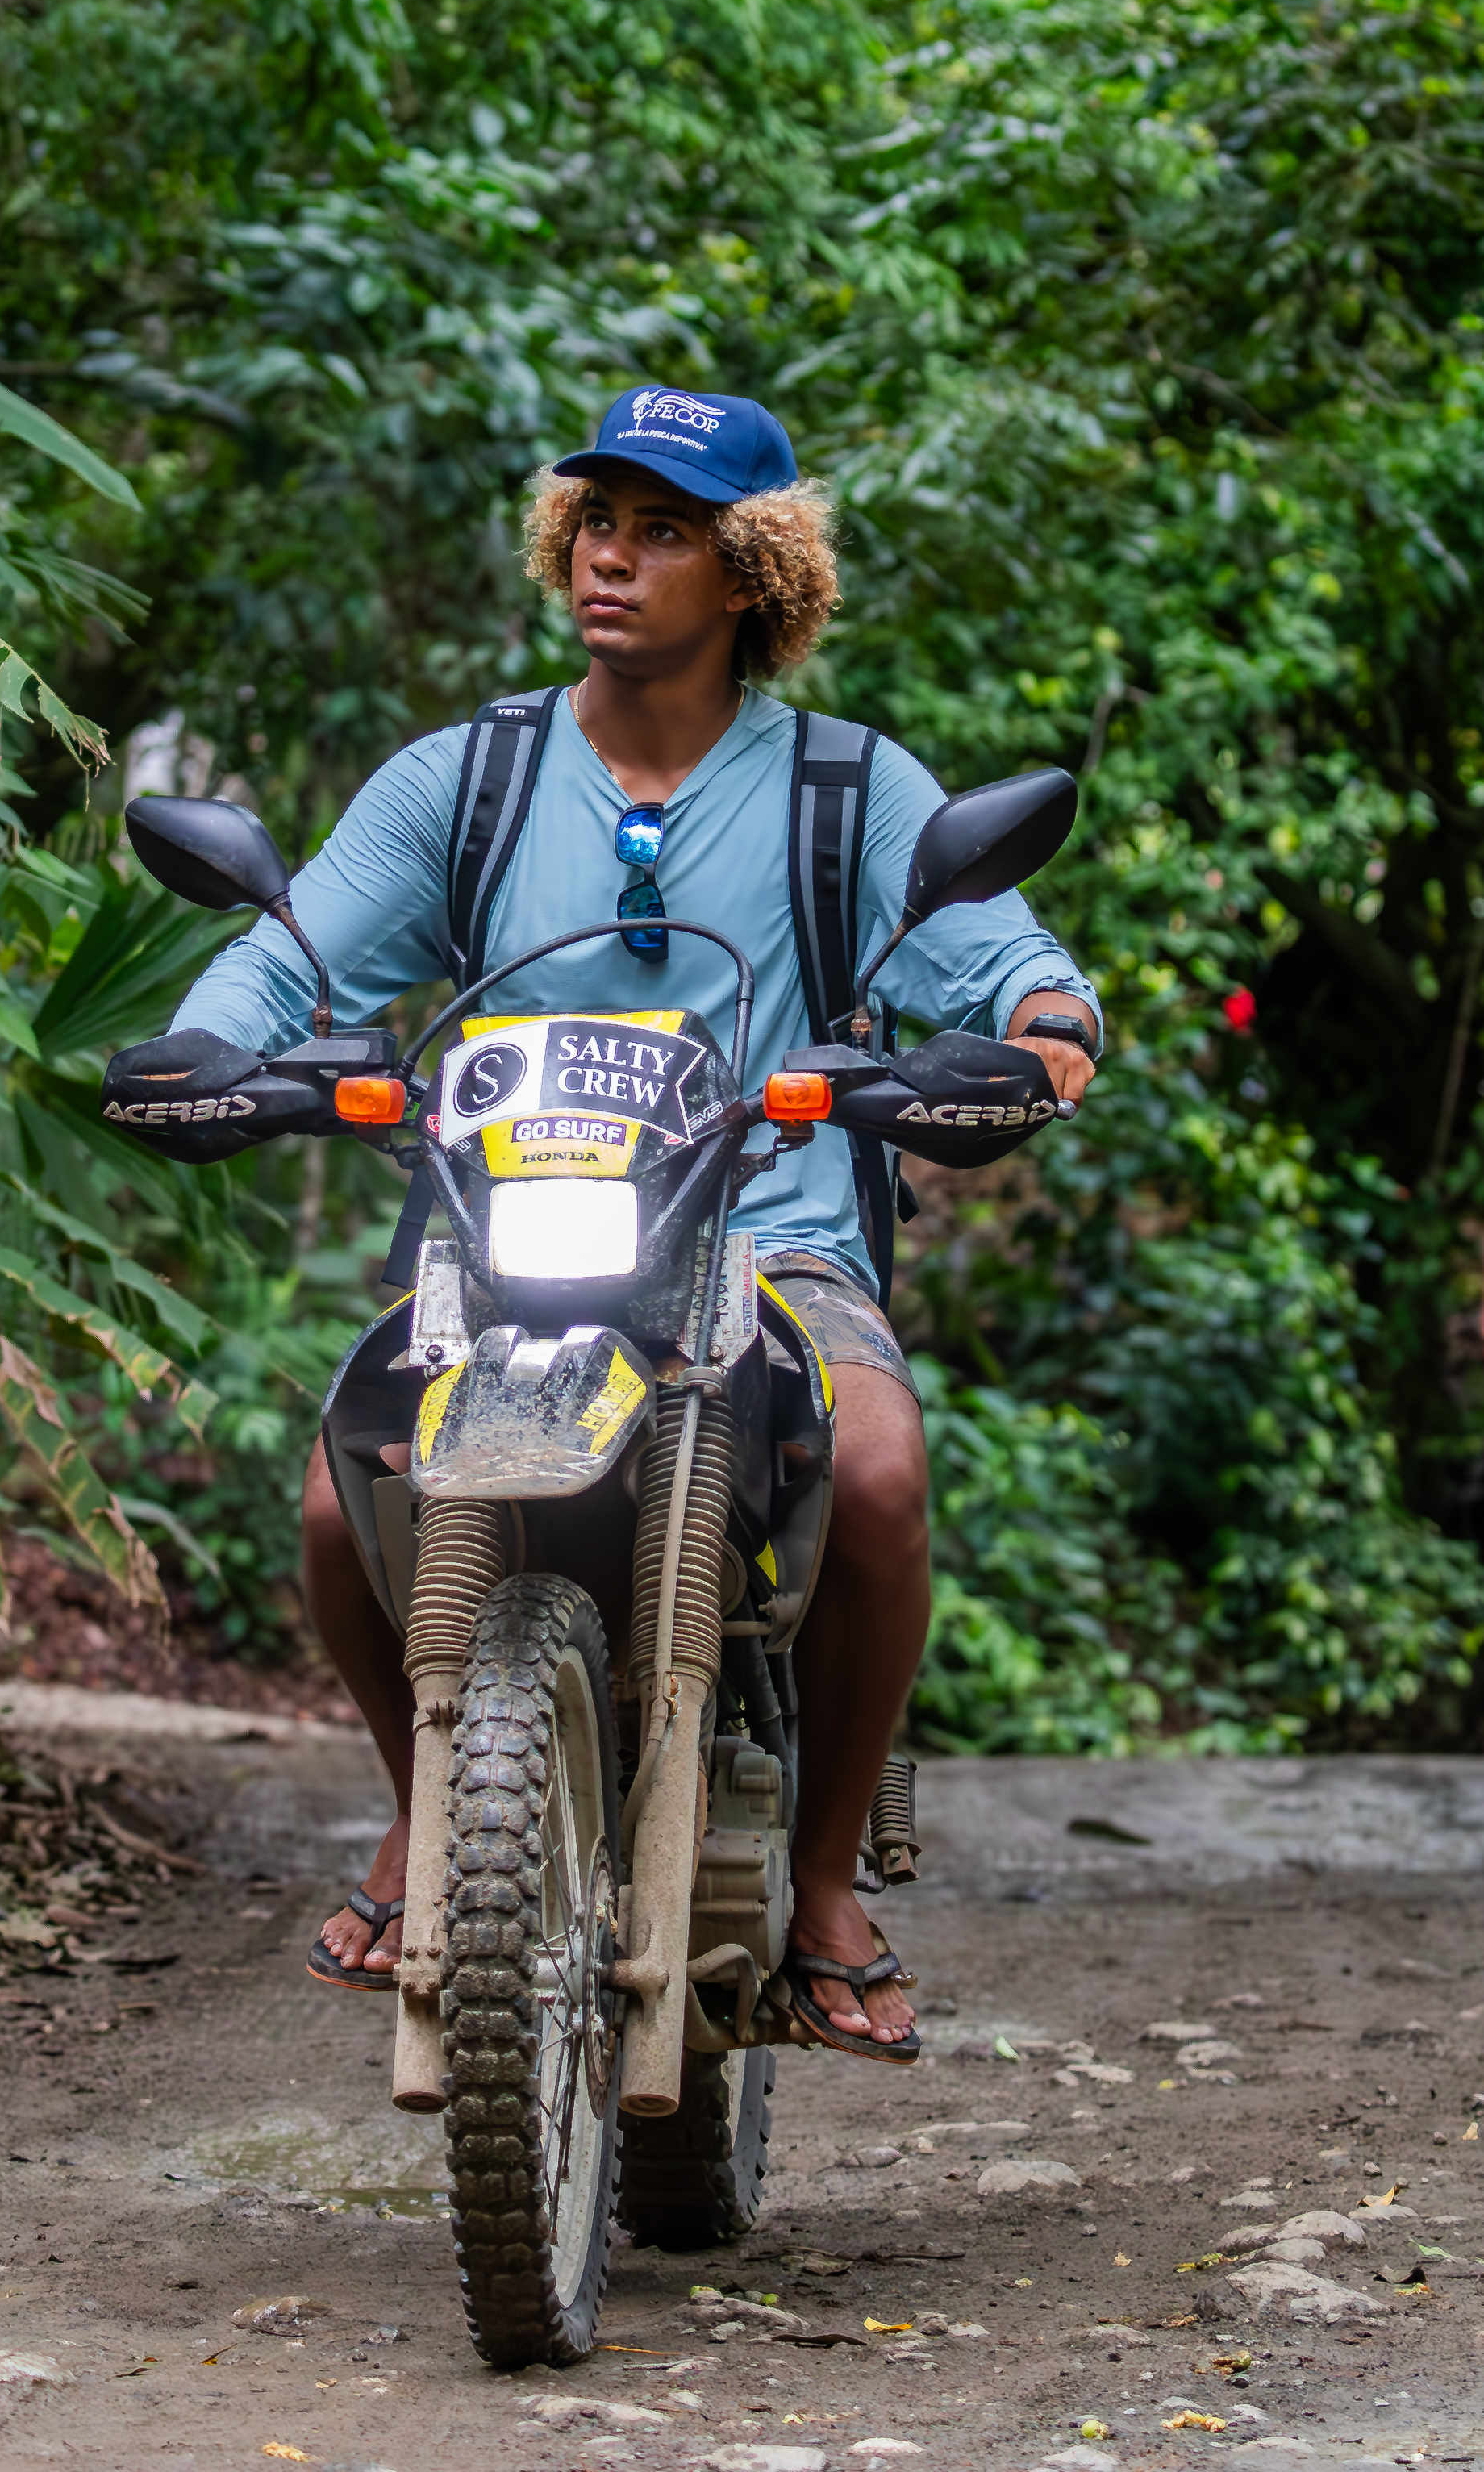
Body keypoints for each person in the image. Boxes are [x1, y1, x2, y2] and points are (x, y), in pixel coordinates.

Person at [142, 387, 1100, 2057]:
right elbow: (292, 956)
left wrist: (1036, 1040)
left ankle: (816, 1880)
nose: (612, 557)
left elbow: (1012, 966)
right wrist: (215, 1049)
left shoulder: (841, 794)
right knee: (330, 1494)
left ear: (747, 572)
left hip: (768, 1241)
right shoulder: (471, 778)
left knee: (875, 1476)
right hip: (493, 1237)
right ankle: (421, 1803)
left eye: (663, 532)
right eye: (596, 521)